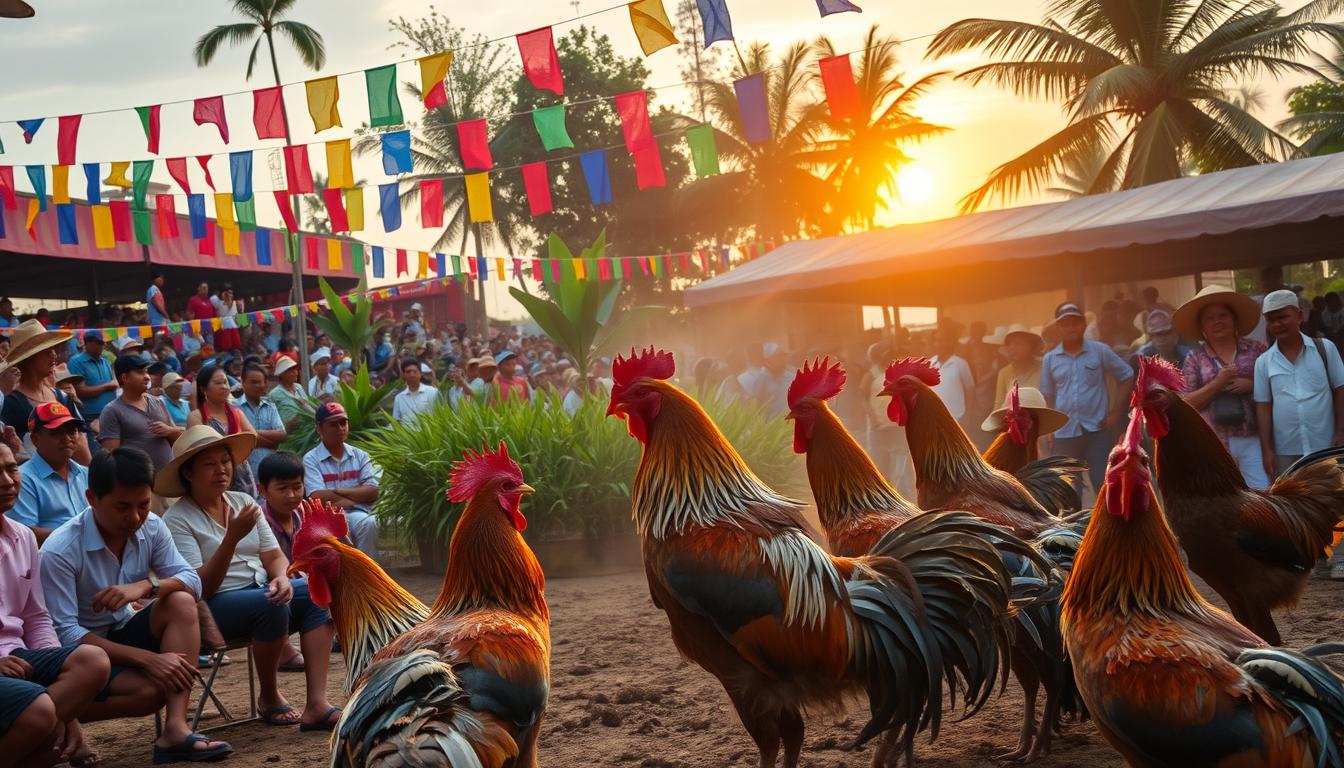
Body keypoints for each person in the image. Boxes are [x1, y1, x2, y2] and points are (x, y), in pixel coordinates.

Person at [41, 448, 233, 763]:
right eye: (122, 507)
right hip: (78, 658)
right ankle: (58, 715)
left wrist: (147, 585)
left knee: (181, 601)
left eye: (143, 505)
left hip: (121, 630)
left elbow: (192, 581)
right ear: (92, 498)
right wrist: (147, 659)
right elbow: (63, 633)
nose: (134, 517)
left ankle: (176, 730)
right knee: (150, 692)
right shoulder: (60, 550)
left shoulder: (152, 526)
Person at [160, 427, 341, 731]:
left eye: (225, 461)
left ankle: (316, 703)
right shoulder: (177, 519)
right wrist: (231, 537)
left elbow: (273, 557)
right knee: (269, 604)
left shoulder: (243, 500)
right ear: (188, 473)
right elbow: (200, 586)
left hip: (260, 590)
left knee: (316, 590)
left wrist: (283, 577)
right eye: (210, 464)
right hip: (212, 607)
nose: (221, 470)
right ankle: (269, 696)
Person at [0, 440, 114, 768]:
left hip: (18, 656)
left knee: (93, 660)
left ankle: (41, 737)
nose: (8, 481)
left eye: (11, 469)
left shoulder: (22, 536)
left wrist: (71, 716)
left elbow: (36, 617)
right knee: (38, 715)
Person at [1174, 286, 1269, 488]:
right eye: (1209, 318)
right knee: (1224, 501)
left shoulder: (1257, 349)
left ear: (1234, 319)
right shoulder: (1194, 357)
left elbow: (1275, 387)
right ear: (1202, 327)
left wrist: (1252, 385)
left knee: (1263, 495)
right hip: (1212, 442)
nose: (1217, 321)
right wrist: (1218, 383)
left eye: (1223, 315)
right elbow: (1186, 403)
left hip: (1252, 437)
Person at [1040, 302, 1134, 494]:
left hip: (1097, 431)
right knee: (1067, 491)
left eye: (1075, 321)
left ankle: (1105, 524)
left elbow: (1127, 375)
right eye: (1065, 323)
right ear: (1058, 328)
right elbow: (1047, 395)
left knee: (1104, 485)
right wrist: (1050, 430)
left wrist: (1115, 413)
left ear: (1083, 324)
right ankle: (1075, 525)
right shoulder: (1050, 359)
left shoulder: (1100, 350)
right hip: (1064, 434)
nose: (1071, 327)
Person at [1255, 289, 1344, 482]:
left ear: (1299, 316)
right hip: (1286, 450)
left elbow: (1340, 390)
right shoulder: (1263, 362)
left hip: (1325, 445)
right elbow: (1263, 407)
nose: (1277, 324)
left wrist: (1340, 431)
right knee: (1293, 506)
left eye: (1282, 317)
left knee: (1333, 503)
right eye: (1271, 319)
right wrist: (1267, 450)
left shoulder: (1325, 349)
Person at [1, 320, 92, 465]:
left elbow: (81, 443)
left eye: (53, 350)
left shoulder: (62, 397)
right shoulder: (11, 403)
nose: (54, 355)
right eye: (46, 352)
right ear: (28, 359)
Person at [303, 403, 379, 559]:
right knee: (339, 530)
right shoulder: (311, 459)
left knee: (370, 523)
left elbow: (372, 492)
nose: (340, 428)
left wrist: (338, 492)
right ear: (319, 427)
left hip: (358, 512)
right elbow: (317, 496)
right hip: (328, 516)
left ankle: (367, 574)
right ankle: (344, 577)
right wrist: (356, 494)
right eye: (333, 424)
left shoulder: (361, 455)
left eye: (343, 422)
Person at [12, 402, 90, 544]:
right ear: (35, 439)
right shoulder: (23, 478)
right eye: (56, 433)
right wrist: (83, 536)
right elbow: (25, 533)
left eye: (72, 431)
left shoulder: (85, 474)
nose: (67, 439)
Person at [98, 354, 181, 474]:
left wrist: (170, 431)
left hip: (168, 479)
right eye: (140, 372)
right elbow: (111, 457)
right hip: (138, 485)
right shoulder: (112, 410)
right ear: (124, 377)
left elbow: (177, 440)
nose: (147, 377)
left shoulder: (158, 402)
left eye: (146, 372)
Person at [186, 364, 258, 499]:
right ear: (203, 389)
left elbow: (252, 437)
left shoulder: (237, 413)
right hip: (214, 475)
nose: (224, 387)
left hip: (241, 474)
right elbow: (200, 448)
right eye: (218, 383)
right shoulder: (197, 416)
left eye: (225, 382)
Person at [235, 364, 286, 479]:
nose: (258, 385)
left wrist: (252, 432)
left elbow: (282, 435)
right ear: (243, 382)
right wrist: (271, 442)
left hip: (270, 472)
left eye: (260, 382)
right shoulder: (234, 408)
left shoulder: (270, 407)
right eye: (253, 382)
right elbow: (239, 438)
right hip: (245, 474)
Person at [68, 331, 117, 427]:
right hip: (90, 416)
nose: (103, 345)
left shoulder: (105, 361)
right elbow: (80, 391)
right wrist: (107, 386)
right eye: (99, 342)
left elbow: (115, 383)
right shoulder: (76, 361)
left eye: (103, 342)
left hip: (110, 413)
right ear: (88, 343)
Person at [930, 327, 975, 427]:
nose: (939, 344)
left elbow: (970, 391)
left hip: (956, 419)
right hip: (933, 419)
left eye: (943, 340)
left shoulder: (960, 363)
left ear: (950, 342)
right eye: (937, 340)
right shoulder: (930, 363)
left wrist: (968, 417)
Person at [990, 324, 1043, 410]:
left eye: (1018, 343)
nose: (1012, 347)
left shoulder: (1042, 369)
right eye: (1009, 344)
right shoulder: (1004, 373)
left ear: (1030, 346)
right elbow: (998, 405)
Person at [740, 343, 794, 416]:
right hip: (774, 424)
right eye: (778, 357)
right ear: (768, 360)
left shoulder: (790, 376)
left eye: (783, 356)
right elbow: (754, 406)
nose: (782, 359)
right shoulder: (761, 380)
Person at [392, 358, 440, 427]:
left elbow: (439, 416)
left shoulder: (433, 392)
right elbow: (396, 422)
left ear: (420, 374)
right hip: (406, 436)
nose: (412, 374)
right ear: (403, 375)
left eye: (415, 371)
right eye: (408, 372)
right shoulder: (399, 398)